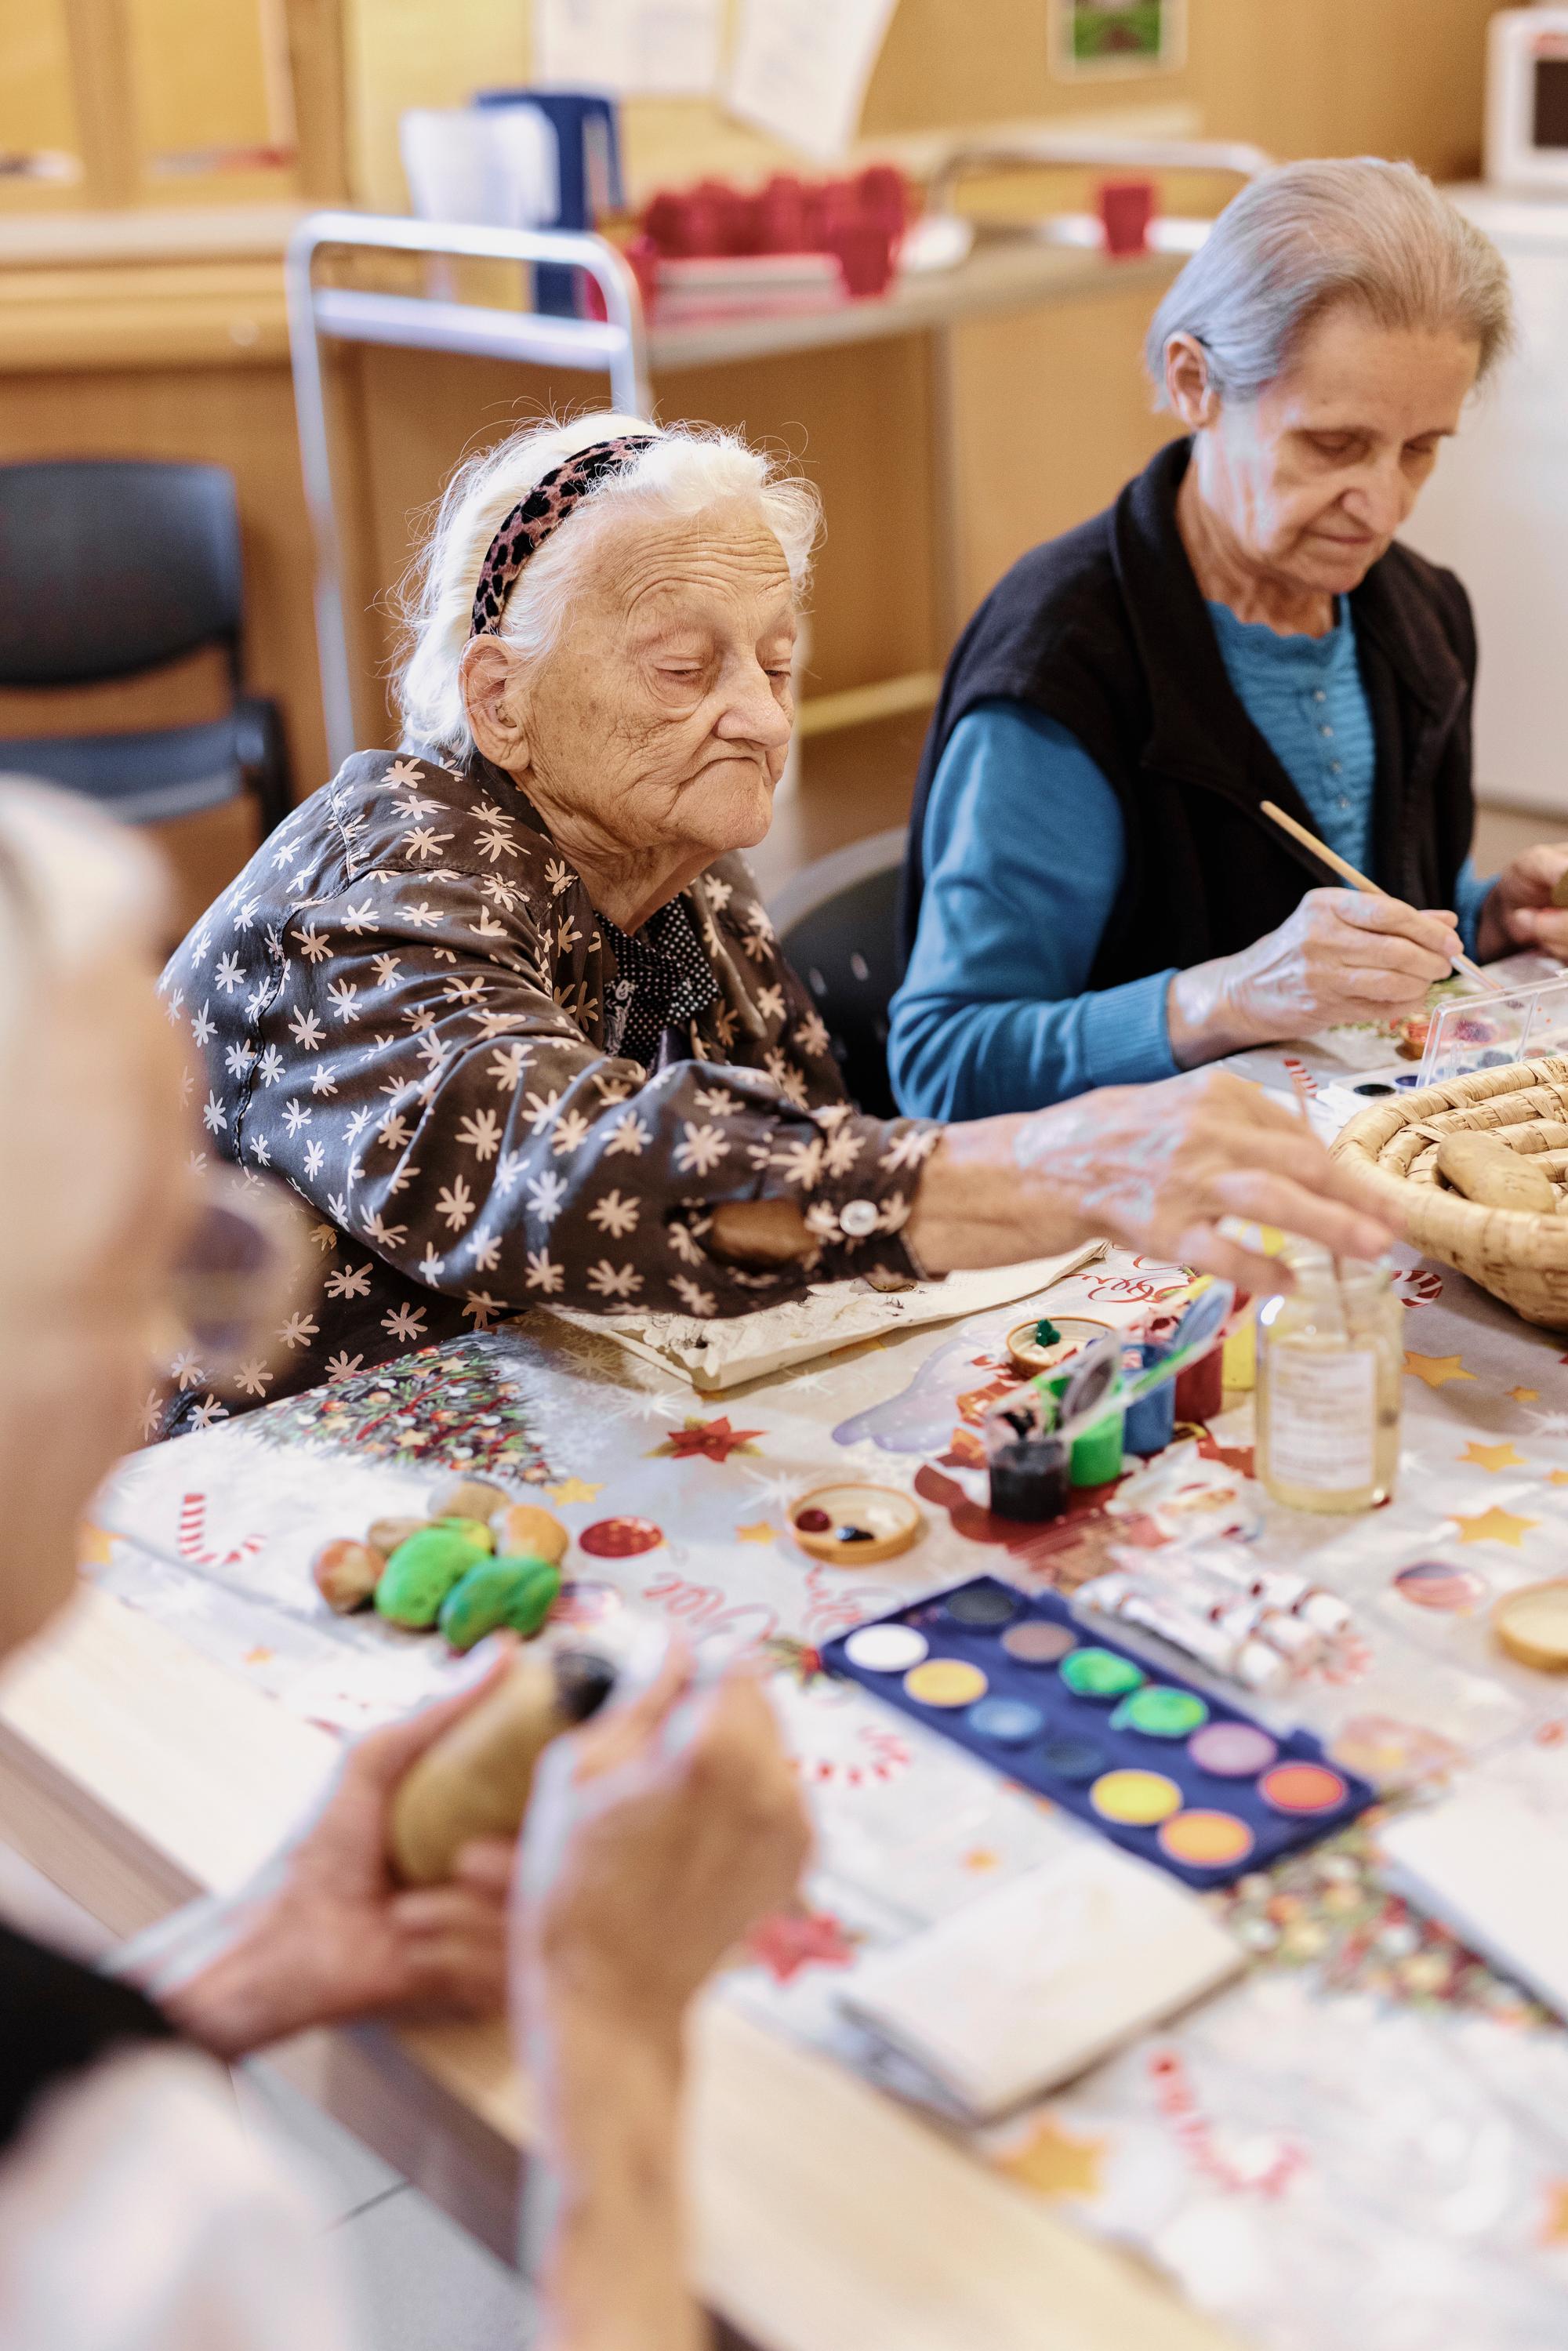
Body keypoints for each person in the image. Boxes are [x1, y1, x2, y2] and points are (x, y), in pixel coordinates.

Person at [0, 779, 810, 2351]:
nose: (152, 1378)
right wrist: (620, 2076)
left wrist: (225, 1970)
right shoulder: (138, 2209)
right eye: (129, 1275)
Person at [160, 412, 1394, 1434]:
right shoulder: (372, 887)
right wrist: (1048, 1165)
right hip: (200, 1524)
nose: (760, 716)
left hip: (524, 1450)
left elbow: (801, 1200)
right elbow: (569, 1172)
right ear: (502, 698)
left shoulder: (681, 887)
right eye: (686, 671)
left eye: (778, 661)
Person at [891, 158, 1568, 1123]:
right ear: (1192, 380)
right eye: (1331, 445)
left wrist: (1491, 917)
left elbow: (1373, 882)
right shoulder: (1064, 674)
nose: (1380, 505)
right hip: (1127, 1216)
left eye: (1419, 448)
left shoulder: (1417, 616)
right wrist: (1226, 995)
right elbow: (942, 1064)